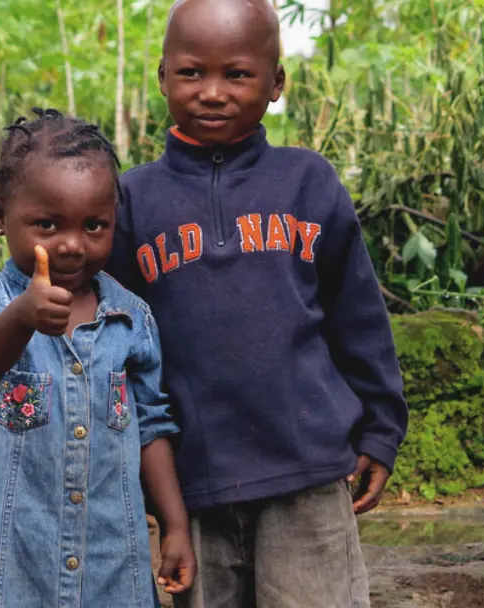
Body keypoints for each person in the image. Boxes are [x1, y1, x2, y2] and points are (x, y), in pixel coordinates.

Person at [105, 1, 409, 606]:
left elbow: (358, 317)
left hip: (309, 472)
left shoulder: (309, 183)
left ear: (276, 84)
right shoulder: (130, 201)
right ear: (162, 76)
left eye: (237, 74)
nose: (212, 92)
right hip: (194, 483)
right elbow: (119, 344)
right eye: (191, 72)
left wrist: (381, 428)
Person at [0, 107, 196, 607]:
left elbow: (150, 425)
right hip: (14, 565)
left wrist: (175, 525)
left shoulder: (130, 317)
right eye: (48, 224)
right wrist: (22, 317)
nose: (73, 245)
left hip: (112, 565)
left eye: (95, 225)